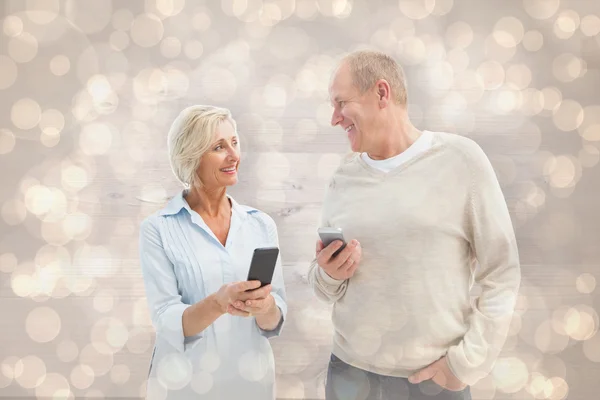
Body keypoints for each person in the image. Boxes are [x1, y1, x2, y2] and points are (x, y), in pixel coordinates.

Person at [307, 50, 521, 400]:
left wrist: (465, 366)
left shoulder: (460, 160)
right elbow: (322, 286)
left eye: (341, 103)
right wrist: (330, 274)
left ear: (381, 93)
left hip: (431, 383)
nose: (333, 118)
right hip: (348, 375)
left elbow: (502, 273)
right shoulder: (343, 177)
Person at [139, 105, 287, 399]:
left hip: (251, 387)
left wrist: (266, 306)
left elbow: (274, 320)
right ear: (192, 156)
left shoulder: (260, 224)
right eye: (219, 147)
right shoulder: (158, 229)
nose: (234, 155)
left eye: (234, 142)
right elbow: (167, 320)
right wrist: (219, 303)